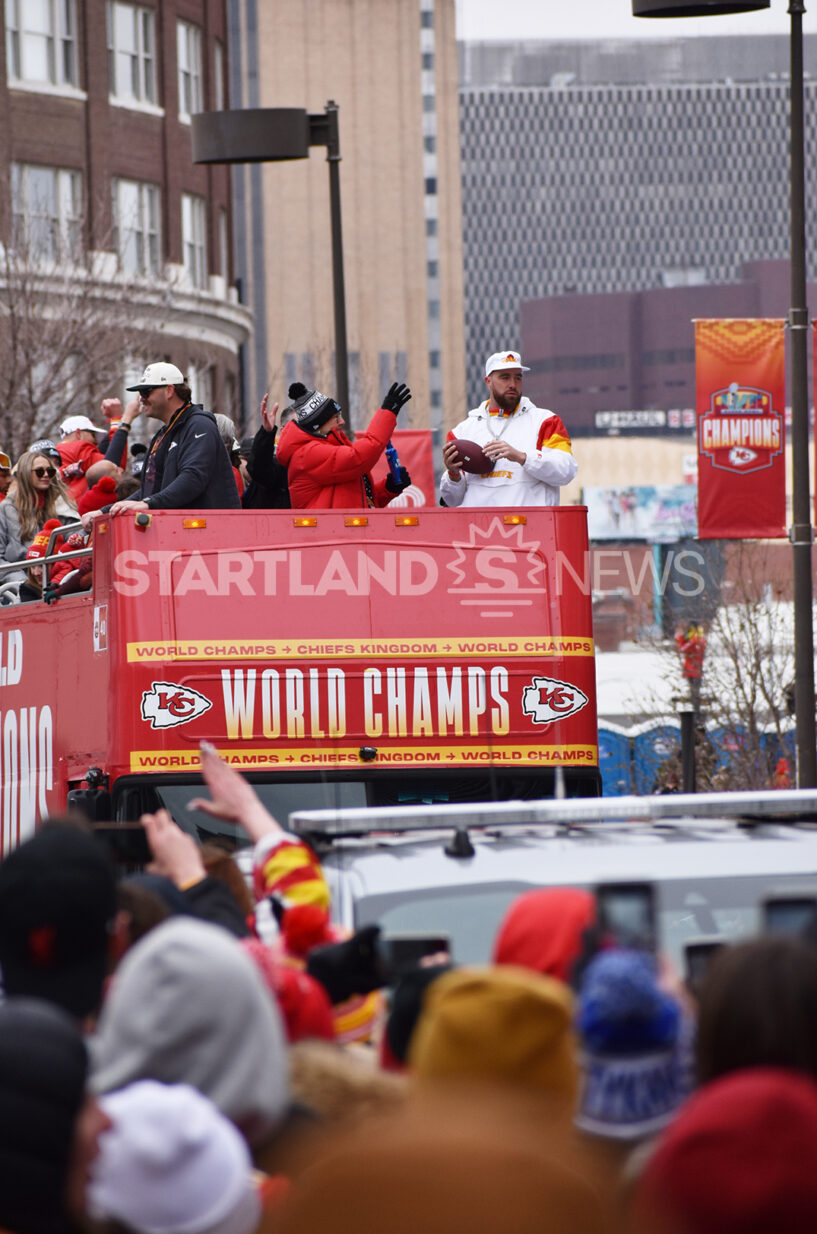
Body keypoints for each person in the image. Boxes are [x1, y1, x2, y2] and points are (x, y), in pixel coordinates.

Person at [81, 363, 240, 527]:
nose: (141, 398)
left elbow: (193, 477)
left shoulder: (200, 425)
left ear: (169, 391)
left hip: (210, 535)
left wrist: (149, 503)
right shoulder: (164, 434)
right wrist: (104, 511)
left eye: (146, 392)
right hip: (181, 536)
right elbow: (150, 490)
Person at [440, 349, 577, 507]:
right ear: (488, 381)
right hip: (479, 529)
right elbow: (452, 501)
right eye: (504, 377)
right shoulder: (461, 432)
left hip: (533, 527)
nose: (512, 384)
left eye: (517, 378)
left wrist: (522, 457)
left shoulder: (546, 421)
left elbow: (566, 472)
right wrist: (453, 474)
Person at [276, 381, 412, 509]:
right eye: (336, 416)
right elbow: (358, 458)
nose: (342, 421)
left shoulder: (329, 448)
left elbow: (361, 501)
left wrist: (389, 488)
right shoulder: (307, 454)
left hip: (342, 530)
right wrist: (387, 414)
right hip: (327, 532)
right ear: (318, 423)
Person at [0, 449, 78, 583]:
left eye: (50, 471)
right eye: (39, 471)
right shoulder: (6, 508)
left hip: (57, 579)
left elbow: (76, 540)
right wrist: (22, 582)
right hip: (20, 584)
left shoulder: (61, 506)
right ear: (25, 475)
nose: (46, 475)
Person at [57, 414, 121, 501]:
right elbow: (113, 463)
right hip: (78, 508)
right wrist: (116, 423)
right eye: (92, 435)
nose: (95, 441)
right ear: (78, 433)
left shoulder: (56, 452)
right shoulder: (80, 448)